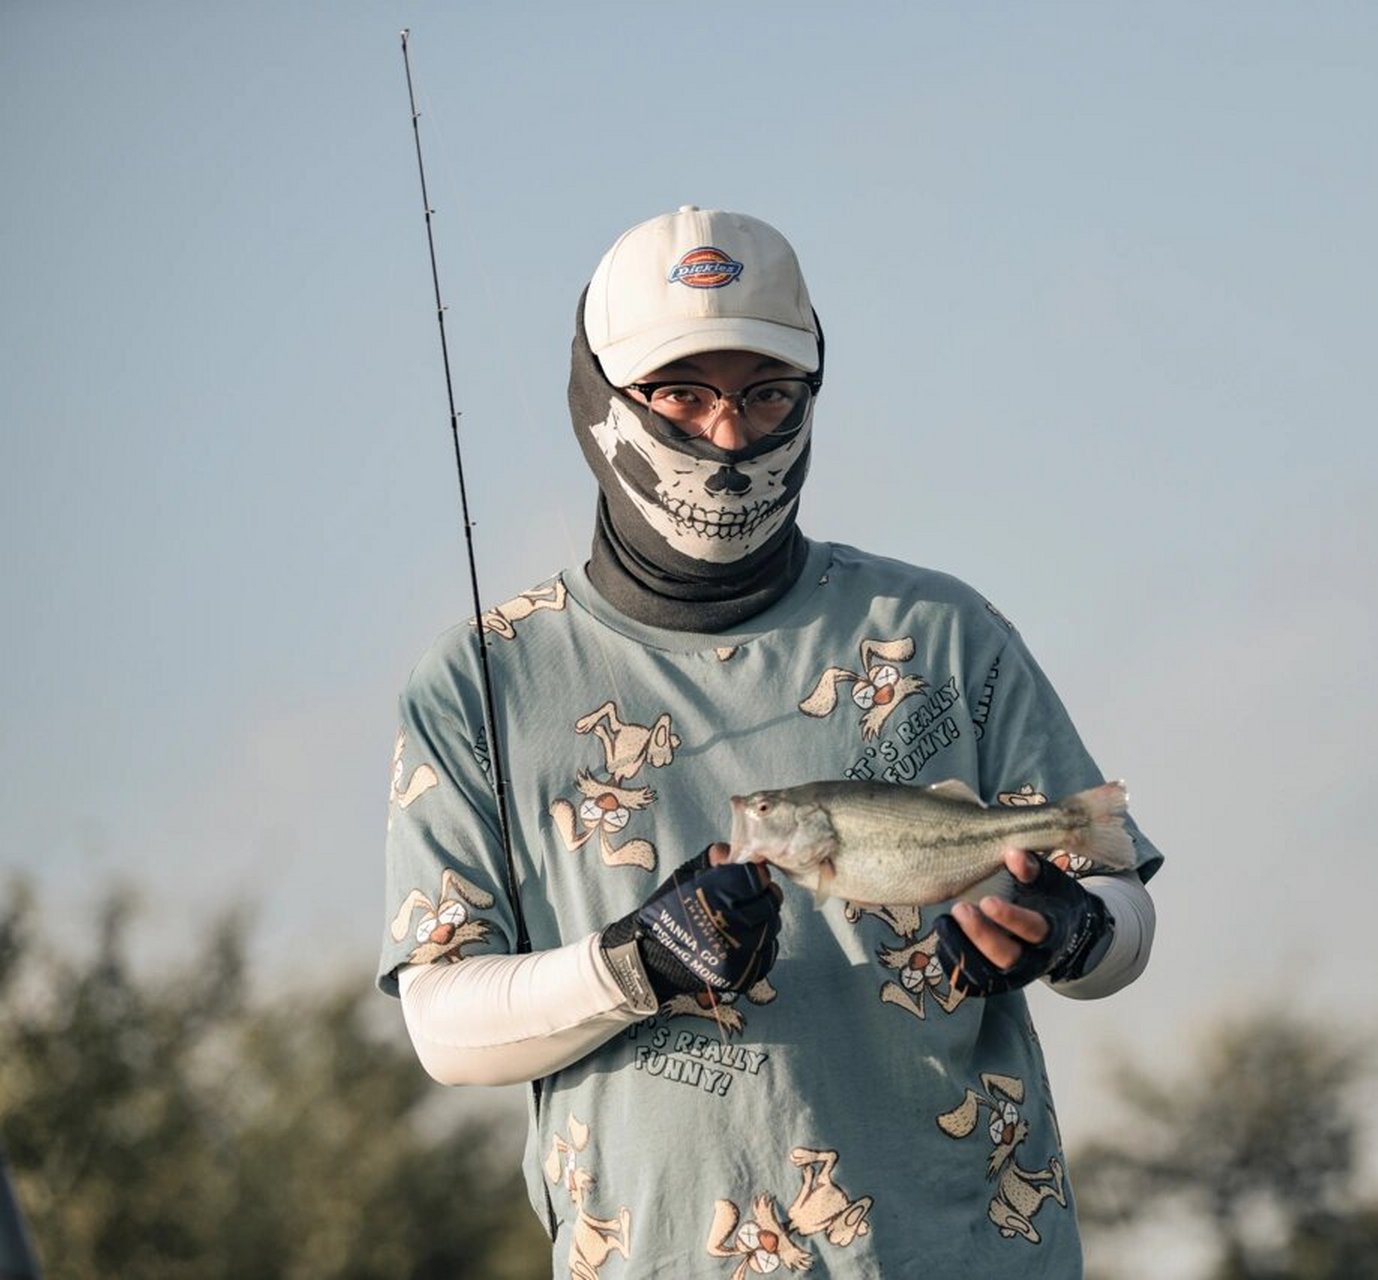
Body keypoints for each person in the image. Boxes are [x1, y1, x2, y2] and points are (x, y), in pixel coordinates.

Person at [378, 206, 1162, 1278]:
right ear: (600, 400)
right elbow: (441, 1020)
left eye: (766, 393)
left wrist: (1067, 931)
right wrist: (636, 961)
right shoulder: (479, 681)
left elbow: (1121, 903)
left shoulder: (941, 628)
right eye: (681, 393)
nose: (730, 434)